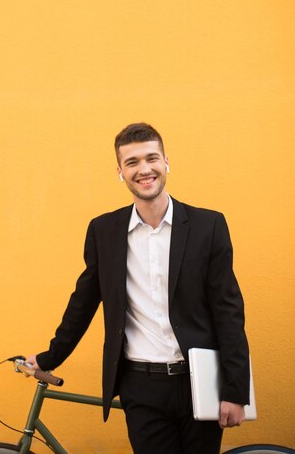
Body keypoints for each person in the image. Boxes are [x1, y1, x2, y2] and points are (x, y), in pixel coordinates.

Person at [27, 122, 250, 454]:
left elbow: (228, 311)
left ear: (166, 162)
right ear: (120, 171)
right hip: (140, 386)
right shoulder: (104, 230)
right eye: (132, 162)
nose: (144, 169)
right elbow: (84, 302)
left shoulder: (208, 225)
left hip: (199, 382)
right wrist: (50, 357)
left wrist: (235, 389)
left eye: (151, 158)